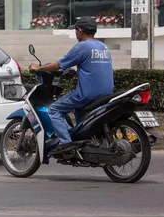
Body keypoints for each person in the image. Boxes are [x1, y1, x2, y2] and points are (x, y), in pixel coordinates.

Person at [28, 16, 114, 155]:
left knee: (54, 110)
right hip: (106, 93)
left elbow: (58, 65)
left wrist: (38, 68)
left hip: (87, 94)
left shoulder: (82, 46)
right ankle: (83, 138)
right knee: (77, 110)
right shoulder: (103, 46)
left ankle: (66, 144)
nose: (75, 33)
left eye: (75, 30)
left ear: (80, 31)